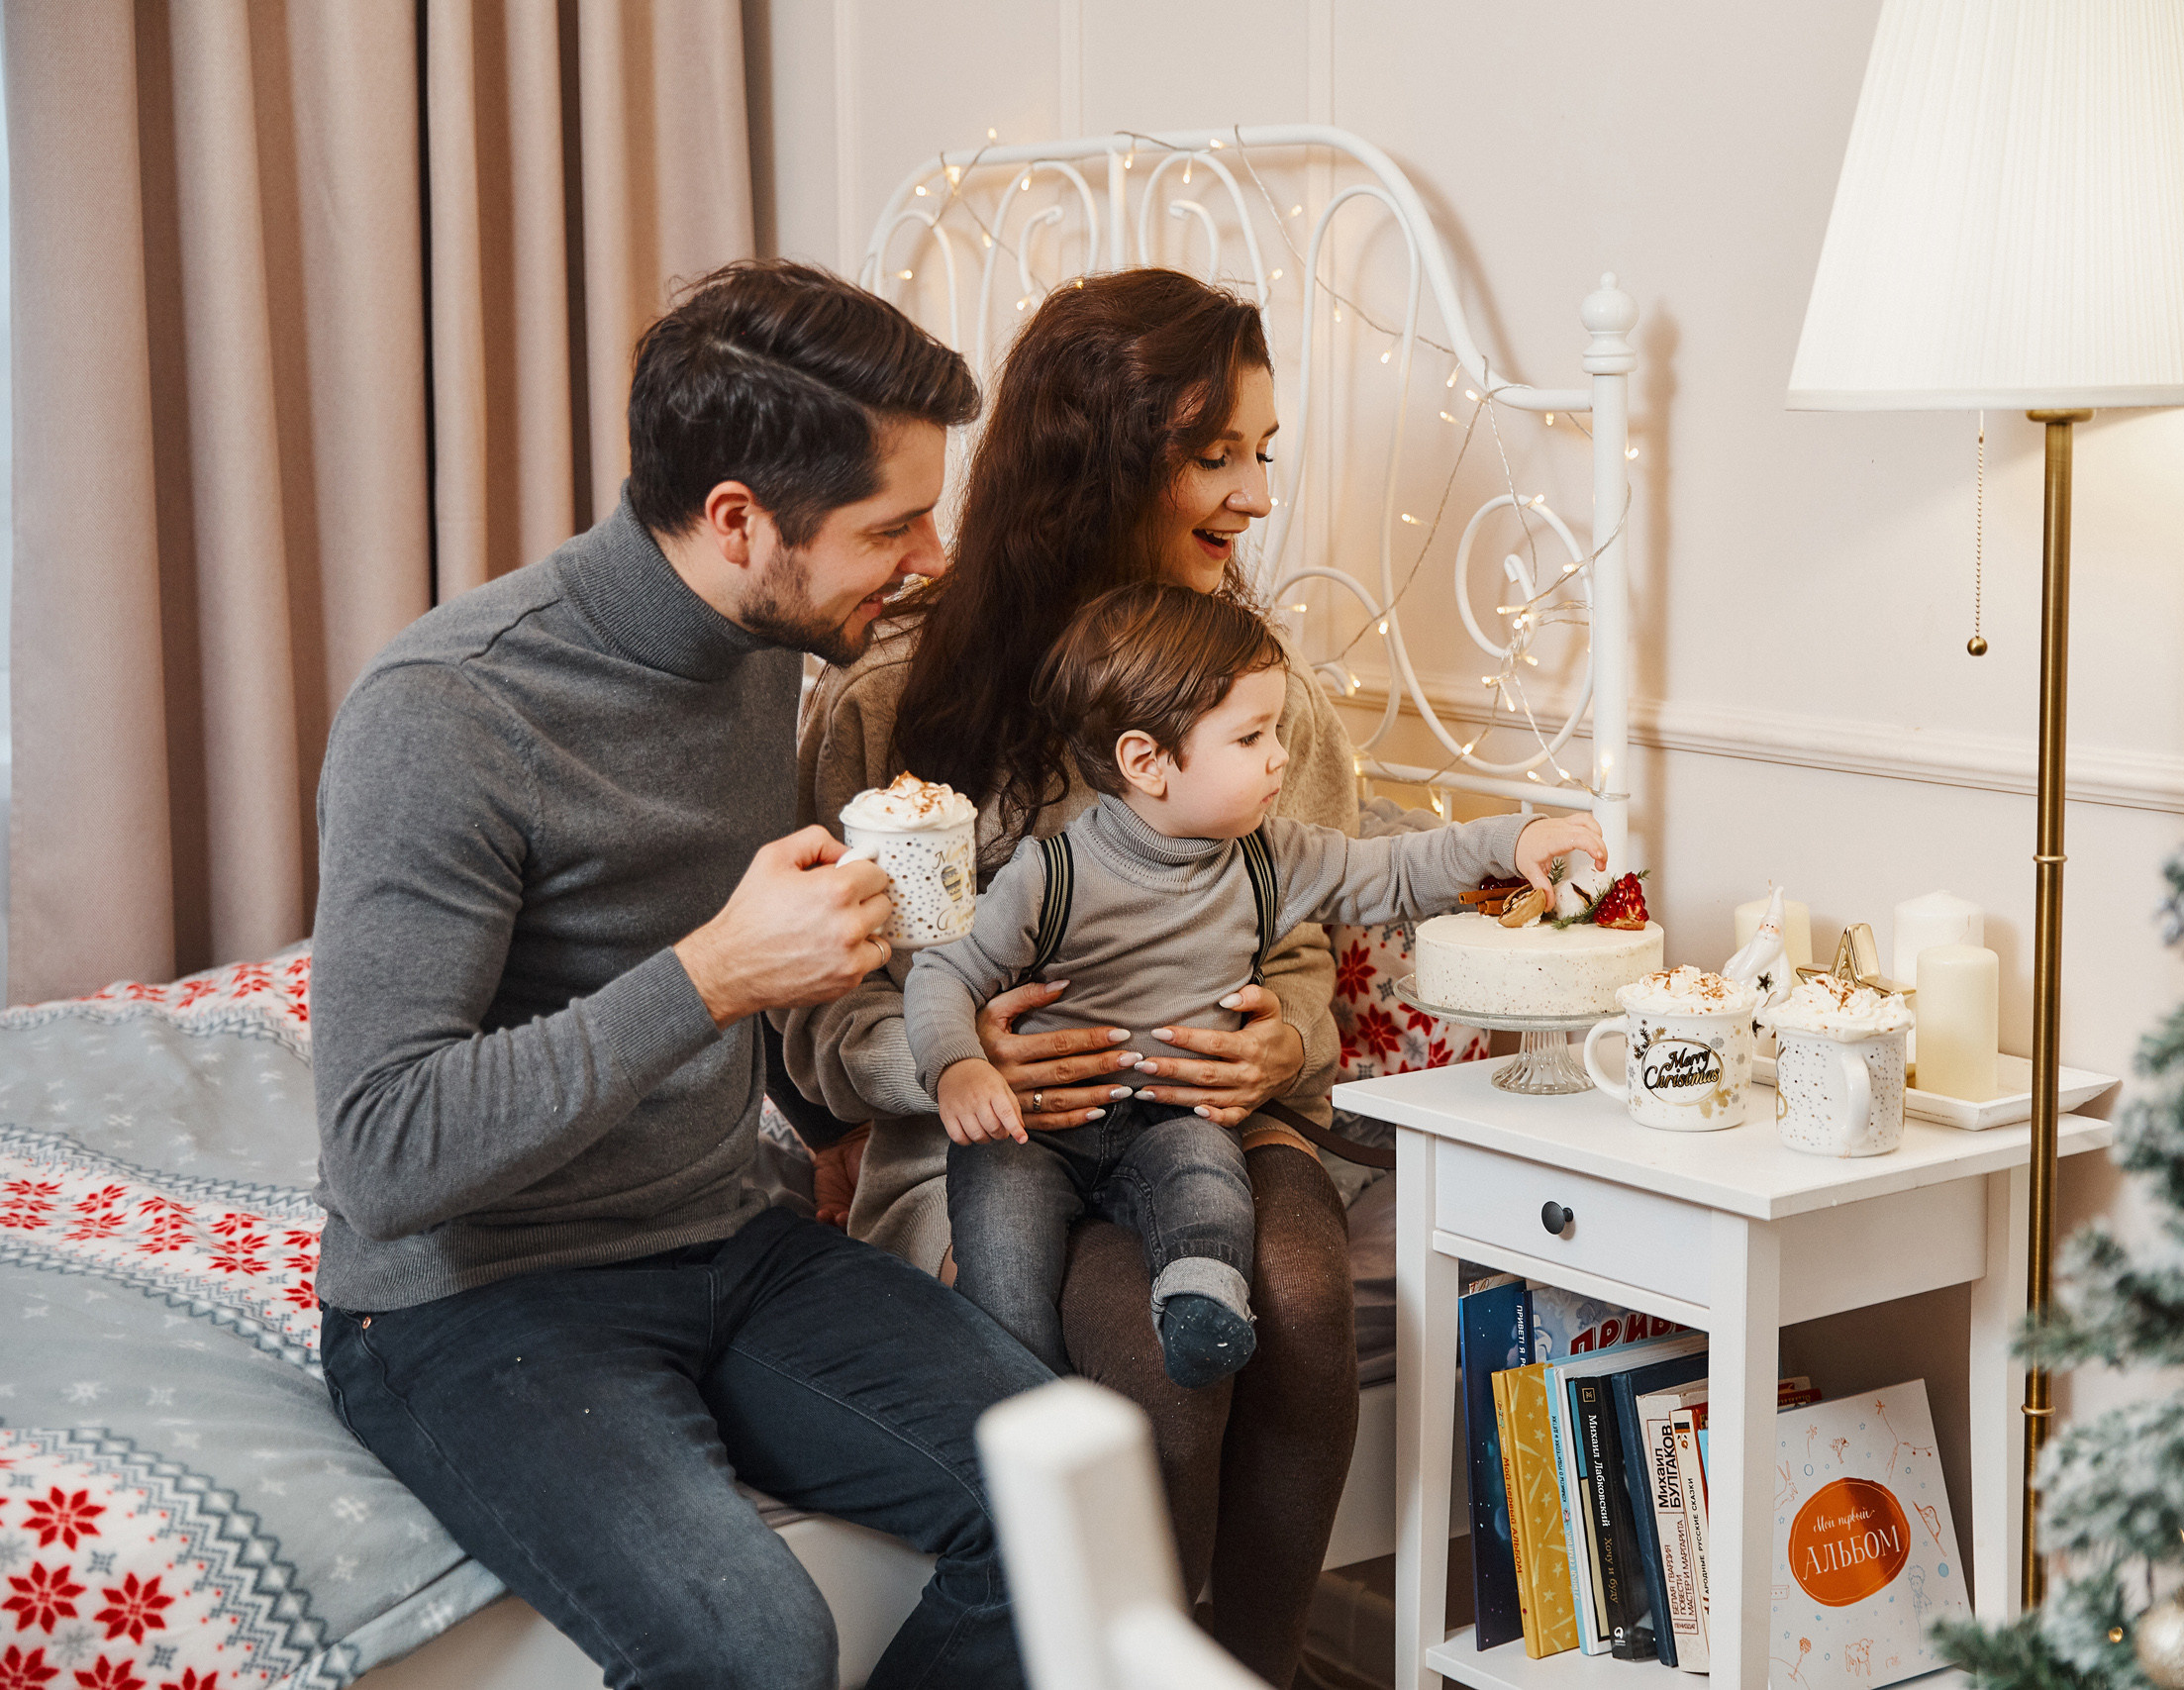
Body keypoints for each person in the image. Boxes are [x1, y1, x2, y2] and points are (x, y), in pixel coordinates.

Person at [309, 259, 1048, 1690]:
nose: (932, 554)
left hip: (724, 1235)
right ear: (736, 522)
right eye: (894, 524)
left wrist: (849, 1087)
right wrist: (708, 976)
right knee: (759, 1642)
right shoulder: (447, 713)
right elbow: (381, 1149)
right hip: (470, 1293)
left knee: (1073, 1489)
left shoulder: (767, 636)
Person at [781, 268, 1360, 1685]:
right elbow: (806, 1027)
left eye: (1266, 452)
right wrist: (954, 1049)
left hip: (1208, 1121)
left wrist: (1280, 1044)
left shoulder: (1262, 699)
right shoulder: (891, 708)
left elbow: (1305, 952)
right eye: (1215, 453)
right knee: (1150, 1347)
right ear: (1093, 457)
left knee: (1296, 1284)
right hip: (993, 1139)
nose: (1258, 496)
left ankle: (1258, 1663)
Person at [913, 584, 1604, 1391]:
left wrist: (1515, 835)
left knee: (1211, 1184)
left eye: (1274, 729)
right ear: (1146, 761)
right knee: (1004, 1251)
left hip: (1175, 1118)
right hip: (1038, 1134)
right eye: (1251, 736)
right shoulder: (1050, 875)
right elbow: (943, 972)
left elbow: (1398, 870)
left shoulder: (1271, 856)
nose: (1281, 753)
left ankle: (1202, 1309)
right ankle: (1026, 1412)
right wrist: (957, 1066)